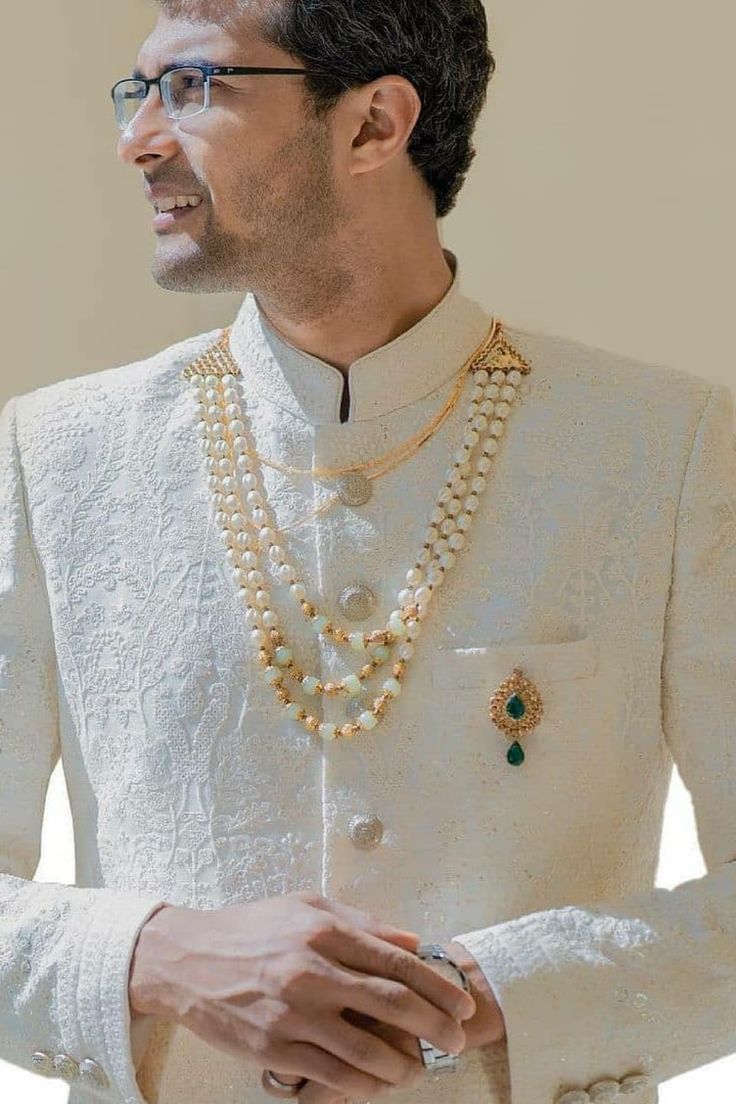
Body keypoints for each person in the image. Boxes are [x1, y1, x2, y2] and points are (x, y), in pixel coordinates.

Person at [1, 2, 735, 1103]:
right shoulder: (52, 456)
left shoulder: (664, 449)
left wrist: (497, 993)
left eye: (194, 88)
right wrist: (155, 958)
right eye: (136, 89)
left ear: (372, 123)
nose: (138, 138)